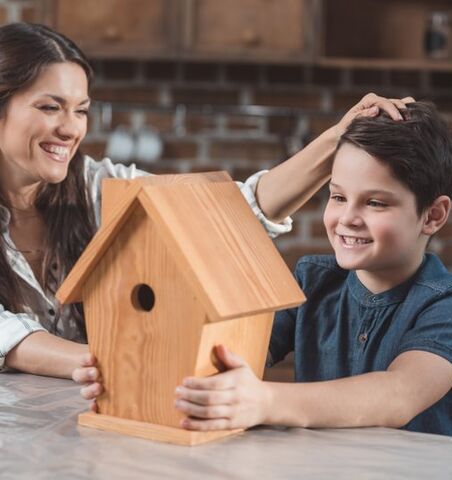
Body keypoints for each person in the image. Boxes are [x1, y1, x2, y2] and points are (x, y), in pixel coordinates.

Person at [0, 22, 409, 403]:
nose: (71, 129)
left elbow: (225, 215)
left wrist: (337, 139)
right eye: (50, 107)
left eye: (81, 110)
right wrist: (102, 361)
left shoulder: (97, 186)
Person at [174, 101, 452, 439]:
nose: (347, 218)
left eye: (375, 202)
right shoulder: (312, 281)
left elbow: (398, 395)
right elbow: (229, 355)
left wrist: (266, 400)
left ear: (433, 215)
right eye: (338, 197)